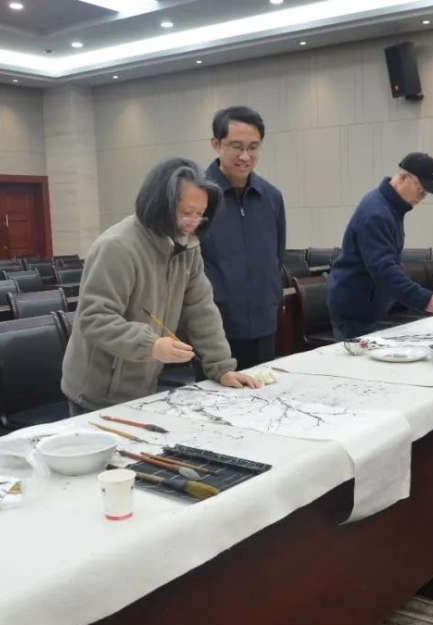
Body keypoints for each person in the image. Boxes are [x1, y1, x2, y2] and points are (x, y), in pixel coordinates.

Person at [62, 157, 261, 413]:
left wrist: (221, 367)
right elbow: (94, 318)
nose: (193, 222)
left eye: (200, 214)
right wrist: (151, 345)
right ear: (161, 204)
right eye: (187, 213)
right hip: (96, 392)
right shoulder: (117, 247)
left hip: (142, 385)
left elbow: (201, 309)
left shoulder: (187, 246)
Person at [327, 152, 433, 340]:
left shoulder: (390, 208)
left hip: (366, 307)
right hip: (354, 311)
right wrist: (425, 299)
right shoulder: (376, 213)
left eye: (426, 194)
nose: (421, 197)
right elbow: (383, 269)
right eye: (420, 190)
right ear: (403, 177)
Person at [200, 106, 286, 371]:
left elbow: (277, 257)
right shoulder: (198, 198)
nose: (245, 156)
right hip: (213, 330)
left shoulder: (271, 197)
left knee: (265, 393)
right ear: (216, 144)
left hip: (264, 327)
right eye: (236, 147)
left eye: (253, 147)